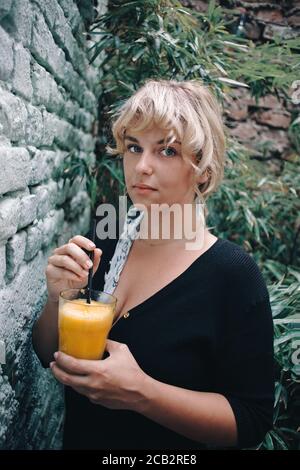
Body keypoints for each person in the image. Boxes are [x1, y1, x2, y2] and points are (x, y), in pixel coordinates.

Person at [32, 79, 274, 450]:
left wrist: (142, 393)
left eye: (167, 151)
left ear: (203, 169)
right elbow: (51, 353)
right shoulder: (106, 241)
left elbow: (250, 421)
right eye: (134, 147)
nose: (142, 166)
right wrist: (55, 301)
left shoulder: (233, 275)